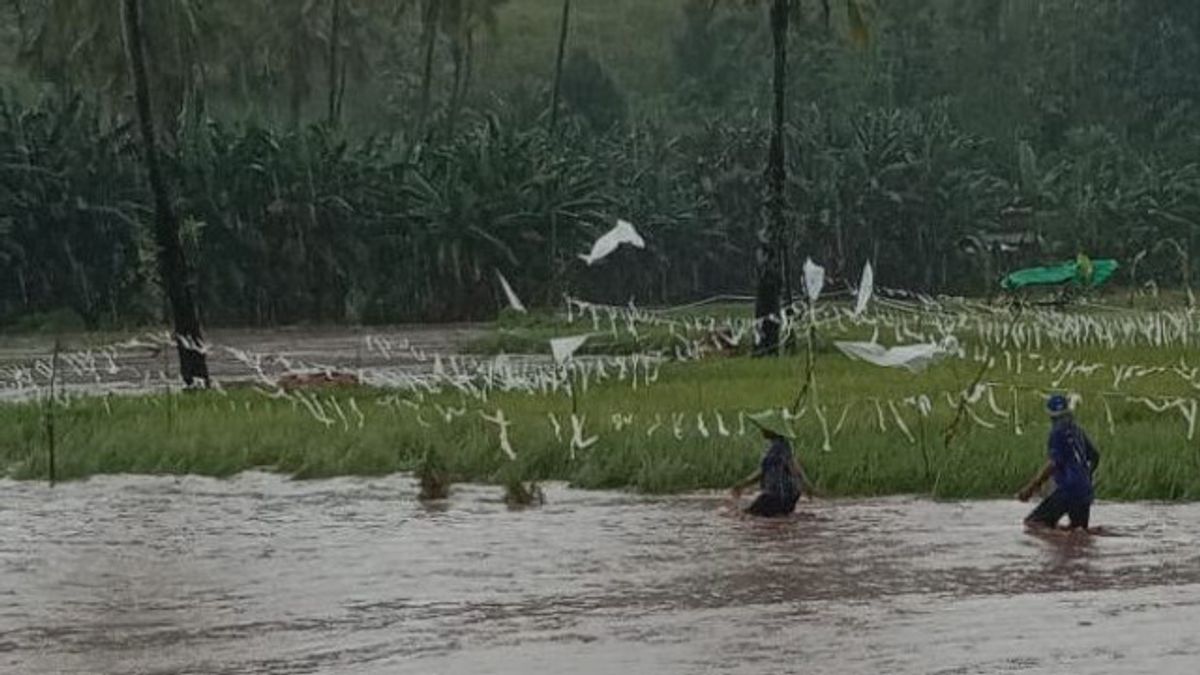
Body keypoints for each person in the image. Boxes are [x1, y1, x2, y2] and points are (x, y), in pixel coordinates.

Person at [1017, 393, 1101, 531]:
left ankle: (1058, 539)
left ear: (1050, 414)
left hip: (1068, 488)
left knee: (1033, 523)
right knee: (1078, 531)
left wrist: (1030, 488)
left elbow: (1053, 463)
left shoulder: (1056, 432)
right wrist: (1086, 477)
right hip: (1085, 491)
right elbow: (1095, 456)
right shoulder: (1077, 430)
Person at [730, 413, 813, 518]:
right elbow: (795, 468)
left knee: (743, 516)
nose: (762, 430)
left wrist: (741, 485)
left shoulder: (777, 450)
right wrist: (806, 487)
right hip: (788, 497)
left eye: (765, 428)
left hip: (774, 496)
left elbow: (792, 469)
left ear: (772, 430)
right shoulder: (783, 447)